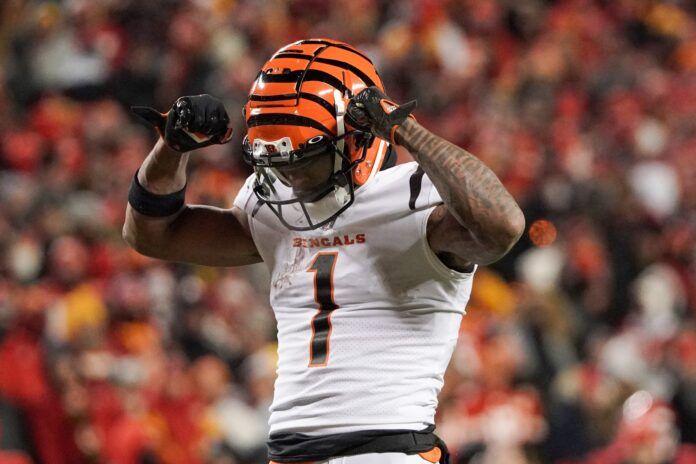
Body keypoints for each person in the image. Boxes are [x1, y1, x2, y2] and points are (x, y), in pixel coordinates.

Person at [123, 39, 525, 464]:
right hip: (288, 454)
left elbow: (503, 226)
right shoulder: (273, 206)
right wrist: (172, 148)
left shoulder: (416, 199)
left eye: (303, 159)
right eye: (278, 164)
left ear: (356, 136)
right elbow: (151, 235)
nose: (290, 177)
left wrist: (402, 126)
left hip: (383, 451)